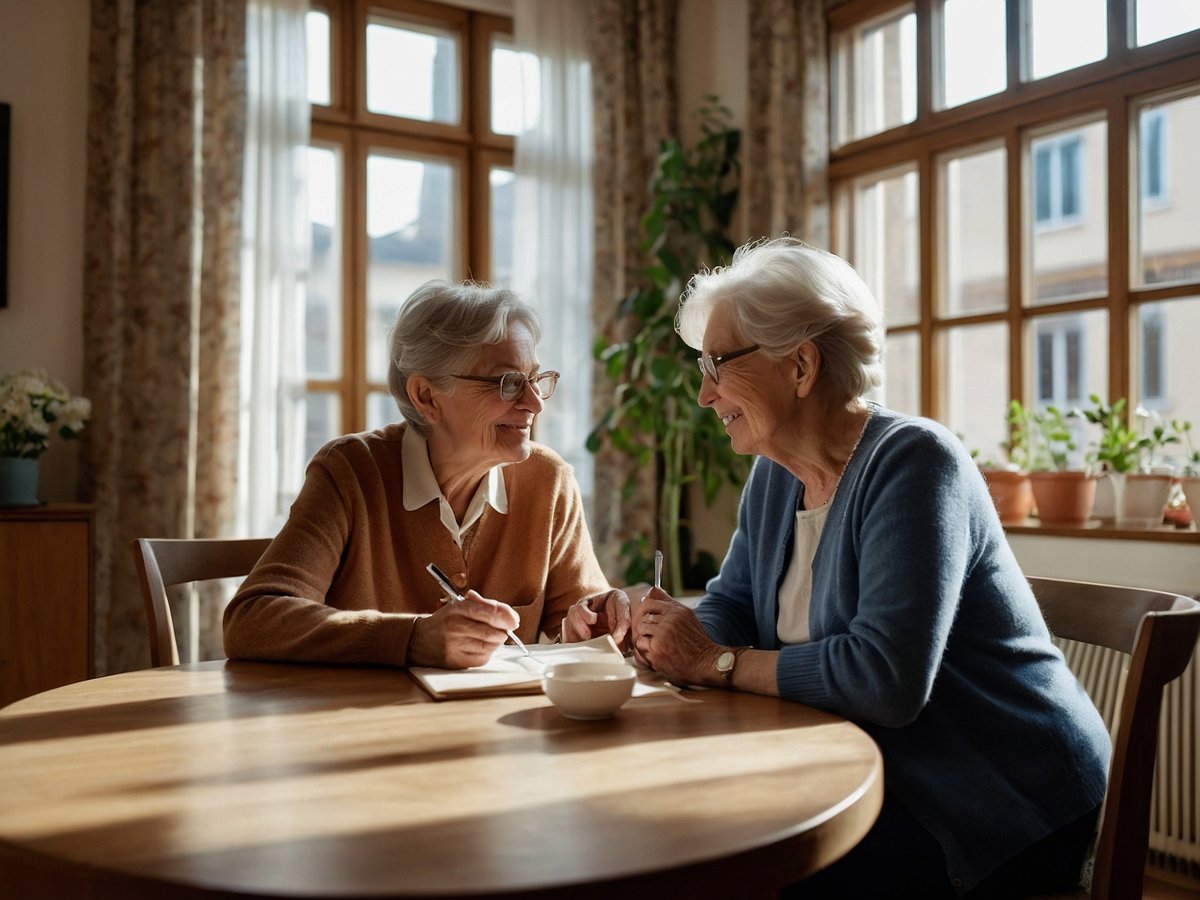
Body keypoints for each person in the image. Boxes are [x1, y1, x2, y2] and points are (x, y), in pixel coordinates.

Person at [631, 237, 1110, 898]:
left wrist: (714, 662)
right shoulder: (775, 477)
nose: (705, 394)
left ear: (800, 365)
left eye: (717, 364)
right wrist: (670, 631)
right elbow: (733, 605)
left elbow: (884, 678)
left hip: (995, 795)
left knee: (751, 863)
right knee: (687, 828)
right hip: (882, 769)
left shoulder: (915, 463)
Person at [225, 280, 629, 669]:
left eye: (535, 380)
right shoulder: (350, 472)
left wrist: (596, 624)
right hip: (364, 729)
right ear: (426, 396)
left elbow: (581, 622)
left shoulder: (548, 481)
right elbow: (252, 620)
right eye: (507, 384)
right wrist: (414, 638)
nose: (534, 403)